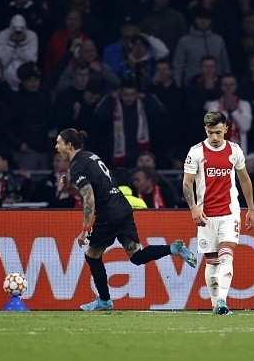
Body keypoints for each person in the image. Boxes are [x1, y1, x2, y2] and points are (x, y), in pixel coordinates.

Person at [55, 128, 196, 311]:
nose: (56, 146)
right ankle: (173, 248)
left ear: (69, 145)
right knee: (137, 256)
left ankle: (105, 300)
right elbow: (94, 192)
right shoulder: (91, 157)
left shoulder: (77, 166)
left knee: (92, 256)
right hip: (123, 210)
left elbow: (89, 198)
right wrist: (70, 189)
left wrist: (84, 229)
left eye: (58, 142)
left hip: (108, 216)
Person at [182, 111, 254, 315]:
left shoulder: (235, 150)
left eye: (218, 133)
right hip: (206, 215)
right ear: (205, 130)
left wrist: (250, 208)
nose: (215, 138)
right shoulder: (196, 152)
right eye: (210, 133)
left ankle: (222, 299)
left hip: (229, 212)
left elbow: (245, 179)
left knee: (226, 256)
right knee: (212, 262)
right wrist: (193, 208)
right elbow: (187, 184)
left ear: (226, 129)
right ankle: (216, 304)